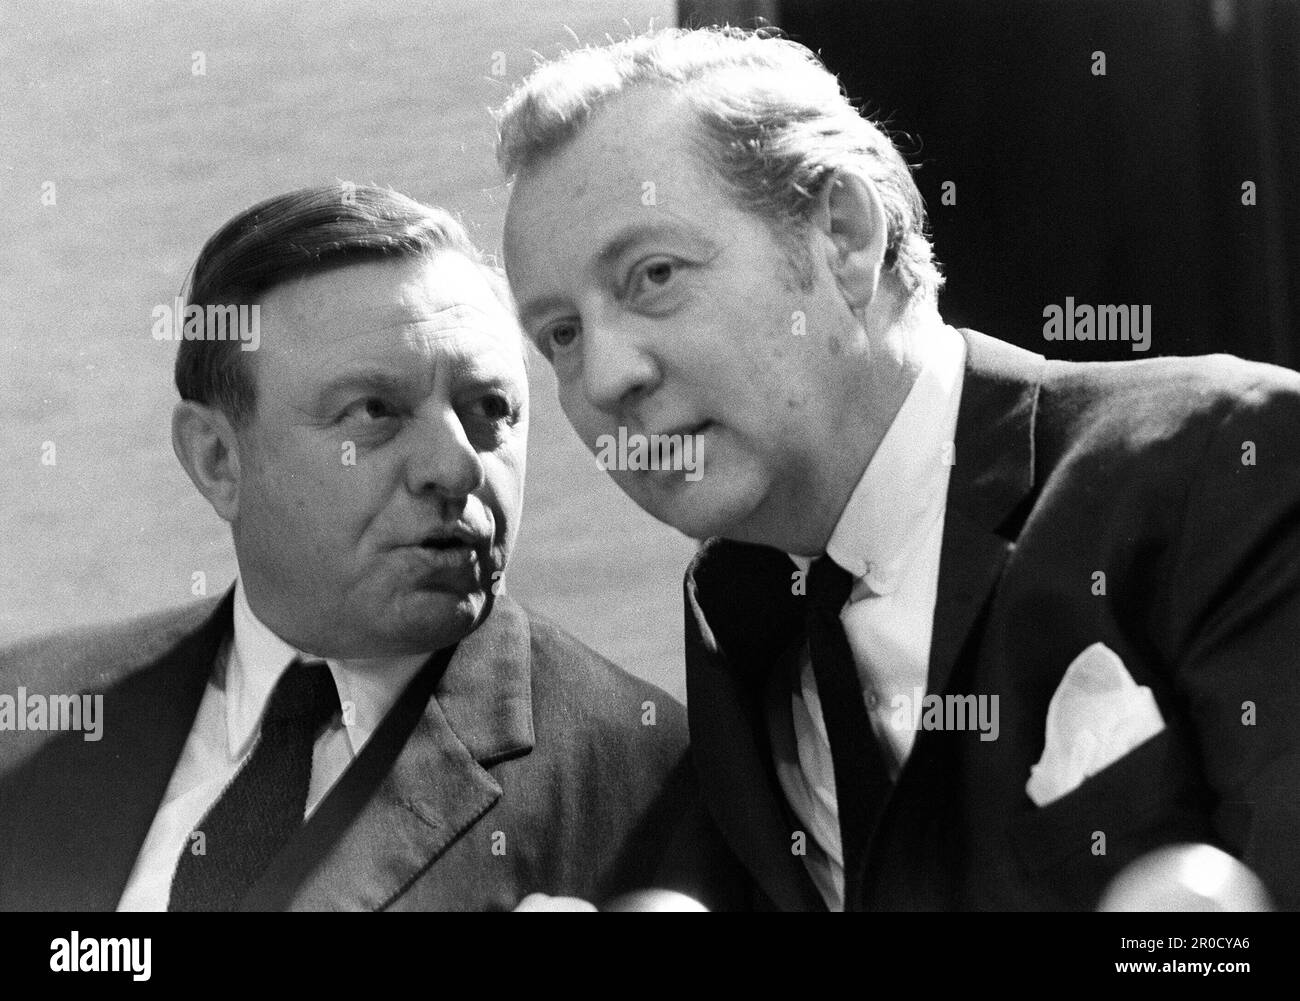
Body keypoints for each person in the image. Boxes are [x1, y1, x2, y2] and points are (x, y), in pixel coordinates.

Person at [496, 26, 1300, 911]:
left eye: (653, 274)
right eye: (561, 335)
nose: (608, 378)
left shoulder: (1226, 457)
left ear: (842, 234)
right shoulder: (733, 617)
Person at [0, 183, 727, 912]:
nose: (457, 467)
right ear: (218, 459)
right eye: (373, 411)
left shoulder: (654, 784)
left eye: (490, 409)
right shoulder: (25, 704)